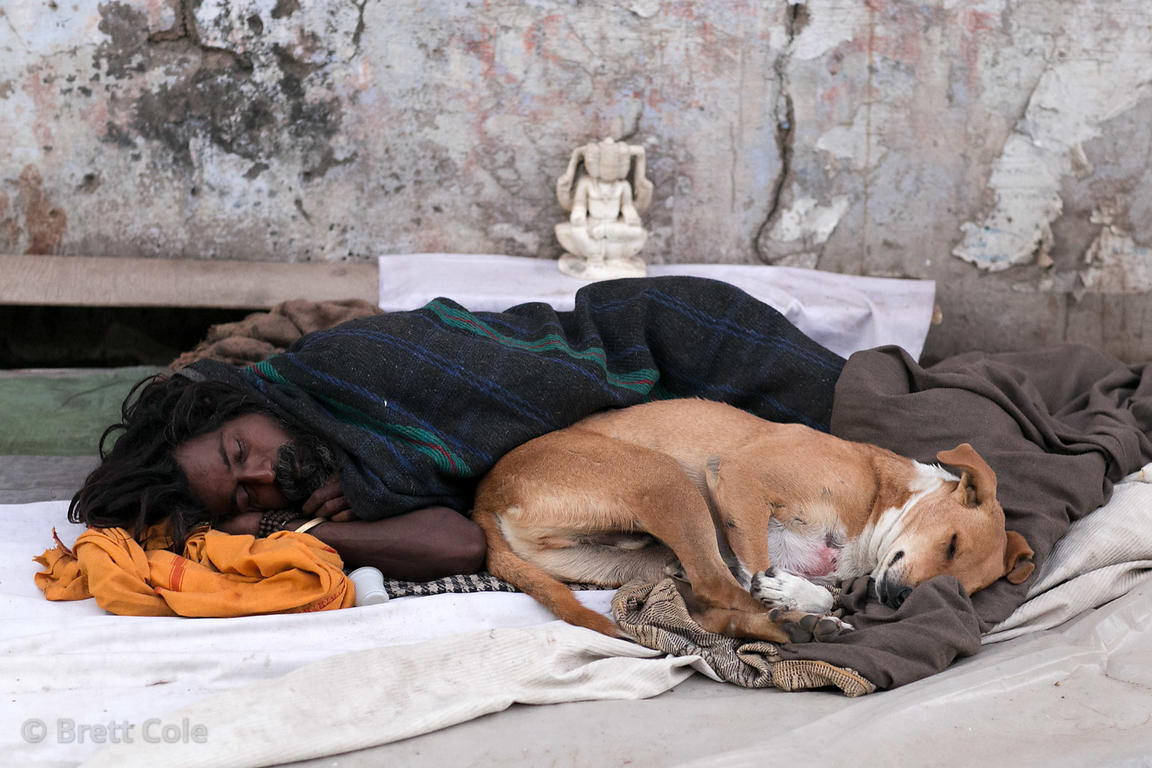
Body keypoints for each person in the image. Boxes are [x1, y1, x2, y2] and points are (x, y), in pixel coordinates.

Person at [69, 276, 845, 582]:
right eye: (244, 490)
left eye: (243, 451)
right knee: (816, 477)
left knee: (861, 429)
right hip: (658, 439)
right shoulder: (332, 489)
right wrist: (289, 527)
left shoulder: (346, 365)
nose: (264, 472)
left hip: (659, 340)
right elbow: (459, 544)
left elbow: (528, 373)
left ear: (239, 406)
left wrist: (350, 491)